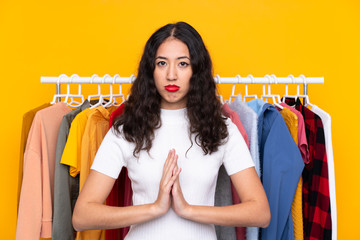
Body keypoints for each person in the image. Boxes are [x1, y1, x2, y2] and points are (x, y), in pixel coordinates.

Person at [72, 21, 270, 240]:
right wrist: (155, 208)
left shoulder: (222, 129)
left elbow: (260, 212)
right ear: (150, 70)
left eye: (183, 63)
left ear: (197, 69)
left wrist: (188, 210)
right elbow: (82, 216)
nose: (172, 75)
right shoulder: (127, 130)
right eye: (162, 63)